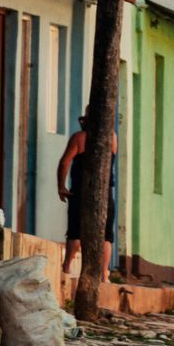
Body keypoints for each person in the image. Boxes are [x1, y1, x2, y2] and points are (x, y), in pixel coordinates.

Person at [57, 114, 118, 276]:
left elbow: (64, 162)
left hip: (81, 191)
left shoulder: (79, 138)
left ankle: (67, 267)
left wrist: (61, 186)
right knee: (106, 235)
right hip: (105, 193)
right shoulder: (112, 138)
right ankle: (104, 274)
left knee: (75, 231)